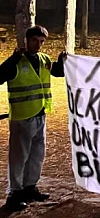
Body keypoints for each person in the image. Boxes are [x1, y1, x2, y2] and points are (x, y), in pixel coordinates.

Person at [0, 25, 66, 211]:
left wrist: (61, 60)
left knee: (37, 154)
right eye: (35, 41)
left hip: (40, 114)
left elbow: (58, 72)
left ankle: (30, 187)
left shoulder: (44, 59)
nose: (38, 45)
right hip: (22, 117)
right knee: (19, 157)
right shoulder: (17, 61)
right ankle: (15, 193)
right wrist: (13, 58)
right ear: (27, 41)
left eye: (42, 41)